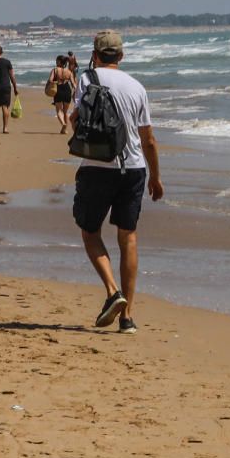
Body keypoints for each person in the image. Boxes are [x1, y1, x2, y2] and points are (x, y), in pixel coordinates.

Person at [71, 30, 164, 335]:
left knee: (90, 232)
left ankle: (113, 292)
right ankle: (128, 318)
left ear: (94, 54)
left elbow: (75, 120)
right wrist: (156, 177)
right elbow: (148, 139)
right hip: (134, 169)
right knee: (129, 238)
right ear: (121, 56)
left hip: (96, 167)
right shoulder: (137, 87)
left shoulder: (86, 79)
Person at [48, 54, 76, 133]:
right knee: (65, 111)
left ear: (59, 62)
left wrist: (54, 82)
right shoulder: (69, 71)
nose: (56, 62)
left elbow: (50, 80)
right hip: (67, 90)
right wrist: (76, 92)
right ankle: (65, 130)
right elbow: (73, 84)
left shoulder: (55, 70)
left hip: (59, 90)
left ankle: (63, 124)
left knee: (59, 111)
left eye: (57, 61)